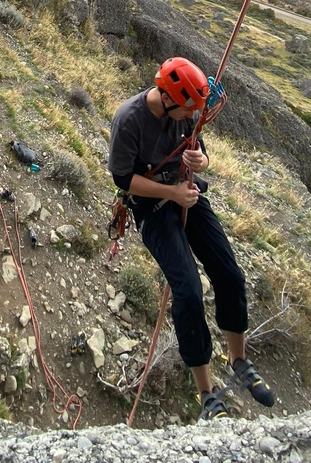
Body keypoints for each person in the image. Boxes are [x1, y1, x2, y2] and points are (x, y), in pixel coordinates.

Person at [108, 57, 275, 420]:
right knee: (188, 290)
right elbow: (123, 180)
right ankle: (206, 393)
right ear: (168, 98)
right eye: (188, 109)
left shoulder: (184, 114)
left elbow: (198, 149)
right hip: (153, 207)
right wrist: (170, 195)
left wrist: (201, 162)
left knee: (230, 274)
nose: (191, 116)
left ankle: (239, 359)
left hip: (187, 191)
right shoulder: (129, 120)